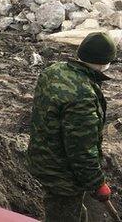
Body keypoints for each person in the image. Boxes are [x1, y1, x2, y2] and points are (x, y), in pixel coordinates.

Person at [29, 32, 116, 222]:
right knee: (64, 214)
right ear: (104, 64)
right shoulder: (83, 96)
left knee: (74, 212)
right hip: (62, 173)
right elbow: (81, 149)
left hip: (42, 157)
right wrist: (97, 182)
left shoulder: (54, 70)